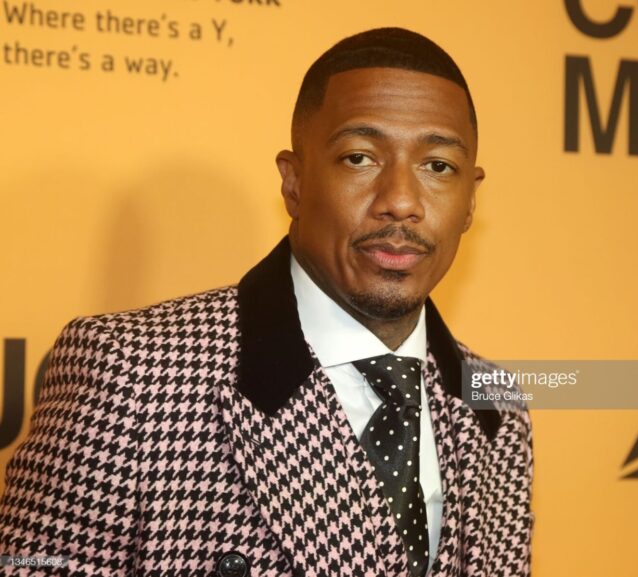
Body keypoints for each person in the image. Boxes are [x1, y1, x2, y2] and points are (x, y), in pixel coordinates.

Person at [0, 27, 533, 577]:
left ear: (471, 198)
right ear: (295, 182)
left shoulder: (497, 408)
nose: (400, 201)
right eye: (359, 158)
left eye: (438, 166)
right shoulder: (133, 373)